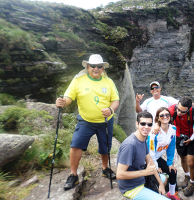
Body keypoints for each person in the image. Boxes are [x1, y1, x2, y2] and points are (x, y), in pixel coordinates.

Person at [56, 54, 119, 190]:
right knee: (76, 145)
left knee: (105, 147)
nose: (96, 68)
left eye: (99, 66)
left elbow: (115, 100)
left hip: (105, 121)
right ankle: (73, 175)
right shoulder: (78, 80)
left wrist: (110, 110)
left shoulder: (109, 82)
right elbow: (69, 97)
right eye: (93, 66)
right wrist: (62, 102)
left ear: (103, 68)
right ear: (87, 67)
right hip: (85, 120)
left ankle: (105, 168)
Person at [116, 111, 169, 200]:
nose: (146, 127)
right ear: (137, 124)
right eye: (143, 124)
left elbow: (150, 163)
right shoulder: (130, 145)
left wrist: (160, 184)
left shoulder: (143, 139)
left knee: (164, 178)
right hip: (131, 187)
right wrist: (146, 172)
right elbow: (120, 174)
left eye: (149, 124)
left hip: (141, 179)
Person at [153, 97, 194, 197]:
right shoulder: (172, 109)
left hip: (191, 137)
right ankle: (186, 175)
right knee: (183, 158)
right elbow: (161, 115)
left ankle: (192, 181)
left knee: (191, 162)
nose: (178, 112)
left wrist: (191, 138)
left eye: (182, 111)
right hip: (177, 135)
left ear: (189, 109)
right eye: (178, 108)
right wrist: (156, 125)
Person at [147, 107, 181, 200]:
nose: (165, 116)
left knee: (173, 171)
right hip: (148, 158)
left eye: (167, 114)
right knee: (154, 176)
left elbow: (171, 147)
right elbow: (151, 151)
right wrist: (156, 166)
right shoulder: (154, 133)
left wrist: (170, 163)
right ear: (157, 118)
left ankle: (172, 193)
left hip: (157, 157)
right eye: (161, 115)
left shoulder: (173, 129)